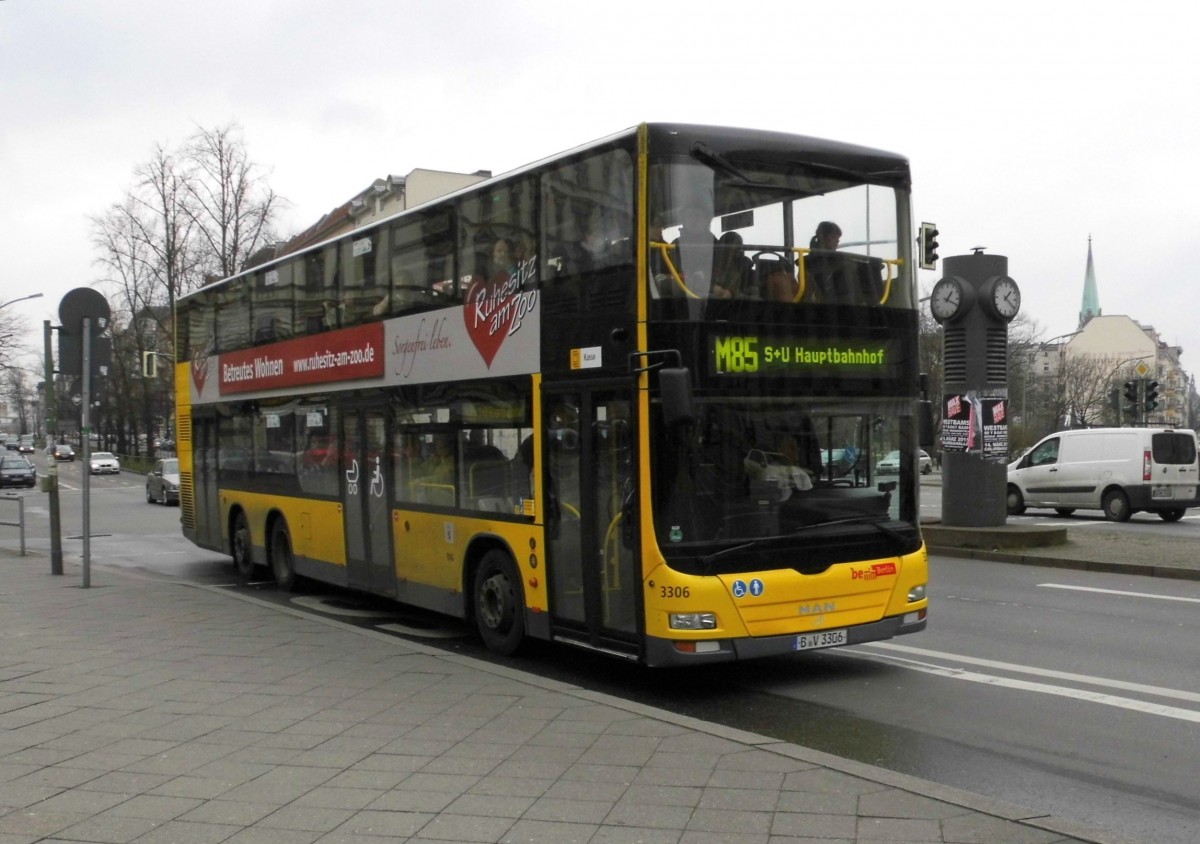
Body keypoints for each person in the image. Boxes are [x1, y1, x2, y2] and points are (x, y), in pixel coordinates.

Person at [712, 231, 753, 299]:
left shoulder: (736, 267)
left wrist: (730, 292)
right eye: (731, 249)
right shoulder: (709, 263)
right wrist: (712, 287)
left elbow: (735, 285)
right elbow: (698, 282)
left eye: (737, 250)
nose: (734, 253)